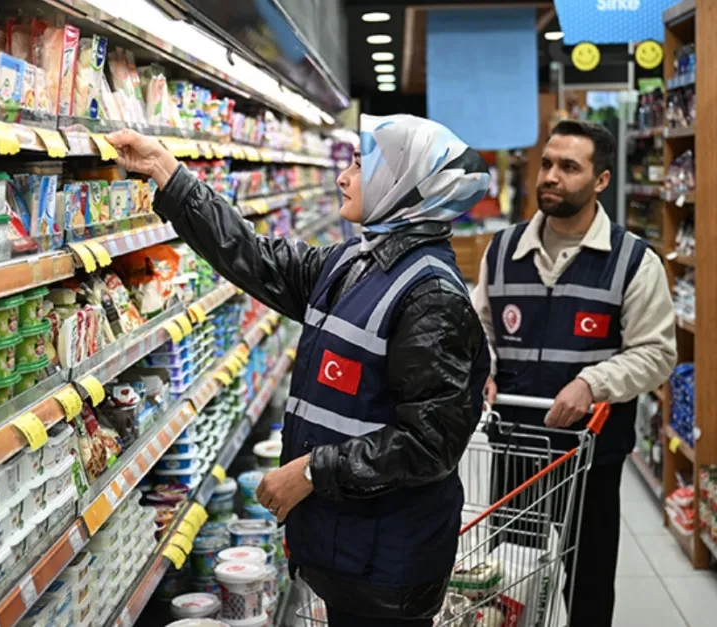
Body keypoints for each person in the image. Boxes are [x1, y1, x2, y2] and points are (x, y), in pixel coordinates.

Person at [108, 114, 492, 626]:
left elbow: (430, 443)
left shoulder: (432, 297)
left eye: (360, 164)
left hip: (390, 562)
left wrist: (311, 471)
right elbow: (254, 256)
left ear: (404, 185)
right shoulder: (356, 262)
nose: (343, 176)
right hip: (351, 545)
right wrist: (166, 170)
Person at [471, 119, 677, 627]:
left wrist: (592, 382)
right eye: (547, 164)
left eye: (569, 167)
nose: (551, 176)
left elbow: (655, 353)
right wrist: (483, 371)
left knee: (587, 587)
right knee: (511, 585)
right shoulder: (501, 251)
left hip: (593, 455)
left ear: (601, 180)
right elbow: (478, 332)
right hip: (518, 449)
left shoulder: (634, 261)